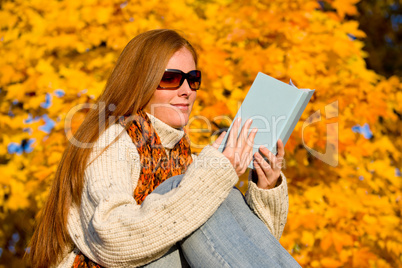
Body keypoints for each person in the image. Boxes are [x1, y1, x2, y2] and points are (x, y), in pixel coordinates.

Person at [28, 29, 301, 267]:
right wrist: (213, 178)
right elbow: (111, 239)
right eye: (171, 78)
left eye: (193, 78)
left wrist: (266, 189)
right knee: (197, 189)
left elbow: (239, 253)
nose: (186, 90)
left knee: (216, 193)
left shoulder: (185, 156)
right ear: (140, 82)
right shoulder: (112, 141)